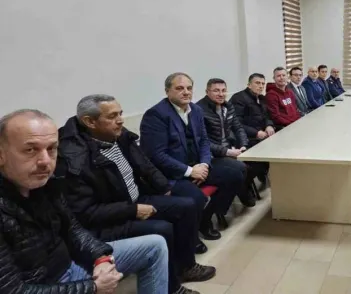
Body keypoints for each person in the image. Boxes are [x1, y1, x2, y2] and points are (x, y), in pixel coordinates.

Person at [56, 95, 215, 294]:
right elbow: (85, 214)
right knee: (162, 229)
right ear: (90, 122)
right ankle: (172, 288)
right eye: (112, 116)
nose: (120, 120)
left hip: (134, 200)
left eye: (120, 114)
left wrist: (164, 187)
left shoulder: (118, 135)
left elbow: (144, 164)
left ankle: (186, 267)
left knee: (187, 206)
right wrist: (133, 210)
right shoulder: (74, 158)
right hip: (107, 221)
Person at [0, 109, 169, 294]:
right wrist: (93, 287)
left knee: (155, 246)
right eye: (30, 150)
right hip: (41, 287)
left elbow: (73, 229)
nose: (45, 161)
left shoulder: (48, 184)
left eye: (51, 148)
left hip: (69, 267)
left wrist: (100, 257)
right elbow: (12, 290)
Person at [140, 73, 247, 242]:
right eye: (179, 88)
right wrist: (190, 171)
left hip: (197, 165)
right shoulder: (156, 115)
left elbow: (204, 141)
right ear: (167, 91)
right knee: (196, 197)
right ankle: (191, 236)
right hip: (173, 174)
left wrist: (204, 164)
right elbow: (156, 155)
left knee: (235, 175)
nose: (186, 92)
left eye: (189, 88)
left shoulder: (196, 110)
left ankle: (205, 219)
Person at [196, 78, 256, 217]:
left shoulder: (228, 106)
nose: (221, 94)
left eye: (223, 90)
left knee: (255, 160)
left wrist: (244, 145)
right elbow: (203, 142)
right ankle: (227, 205)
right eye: (216, 90)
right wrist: (227, 152)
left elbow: (238, 127)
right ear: (207, 92)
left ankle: (242, 192)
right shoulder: (199, 110)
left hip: (230, 146)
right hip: (213, 154)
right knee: (241, 168)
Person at [230, 73, 274, 191]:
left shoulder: (262, 98)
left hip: (263, 135)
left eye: (263, 84)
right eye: (257, 83)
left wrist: (269, 125)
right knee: (260, 160)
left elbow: (267, 116)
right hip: (246, 138)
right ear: (249, 85)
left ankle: (267, 174)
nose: (261, 86)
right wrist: (256, 132)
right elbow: (236, 123)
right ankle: (245, 186)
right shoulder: (238, 98)